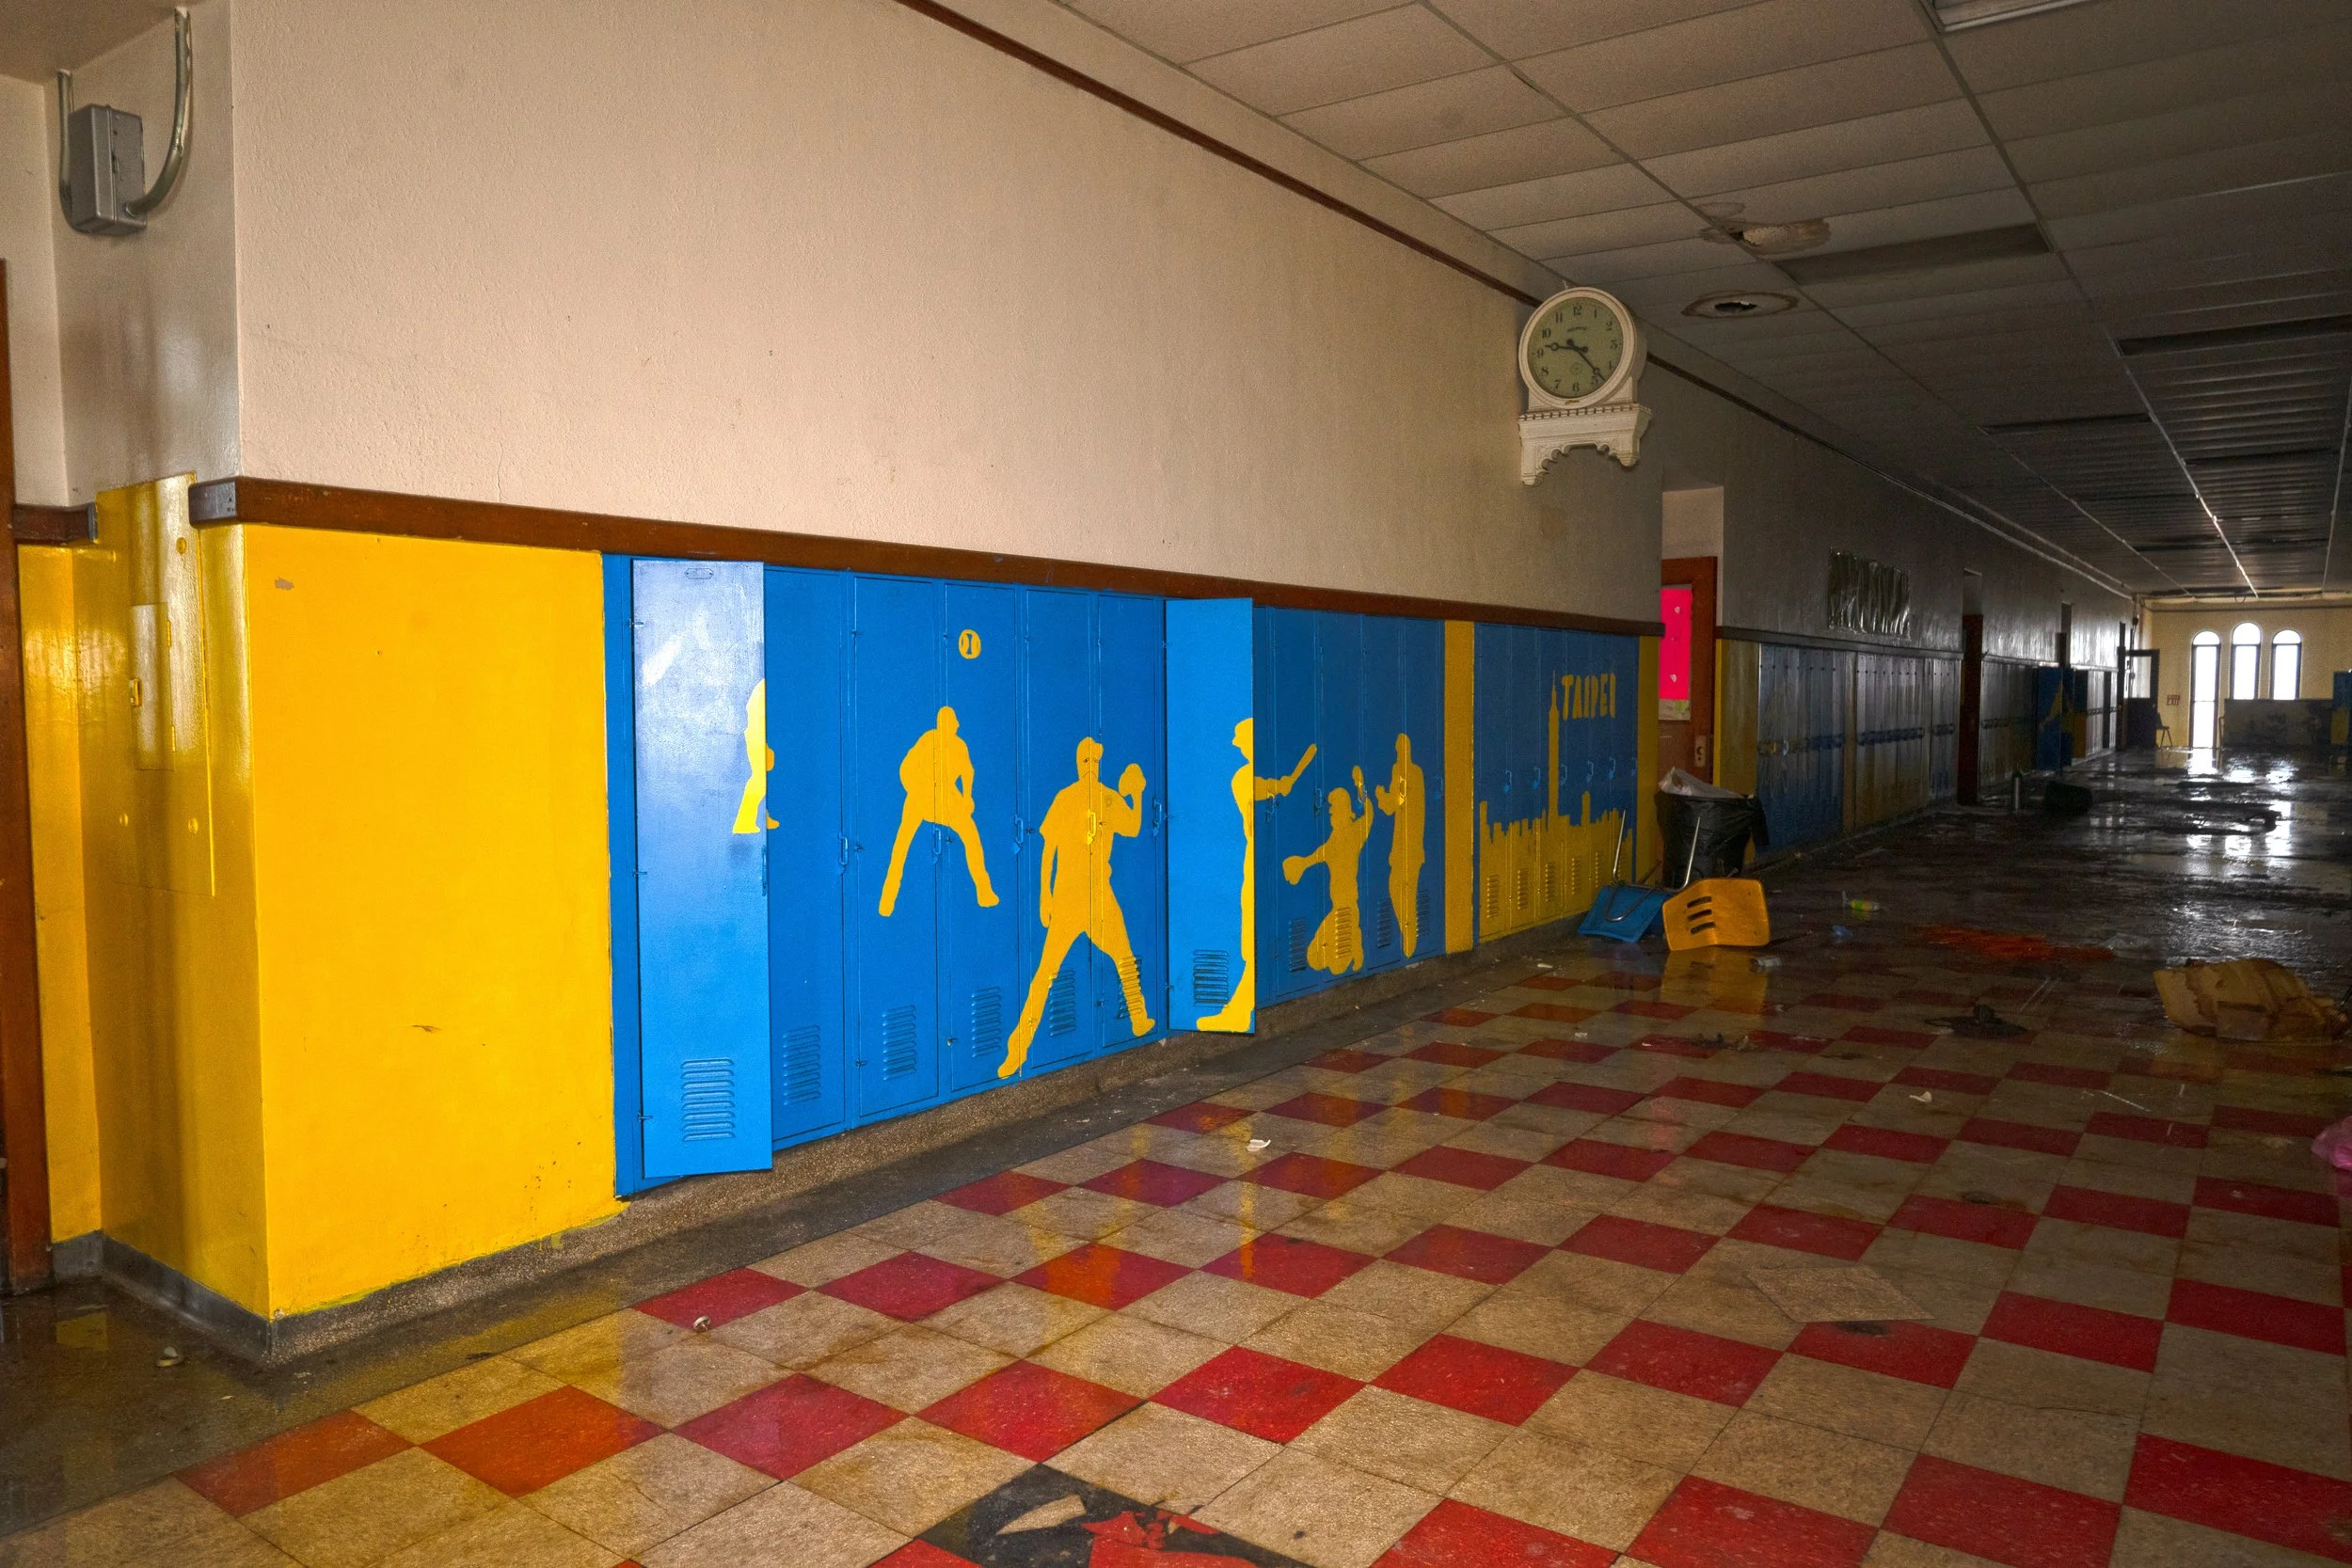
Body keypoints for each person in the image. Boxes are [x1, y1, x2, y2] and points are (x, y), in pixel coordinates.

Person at [1001, 737, 1152, 1077]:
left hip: (1100, 894)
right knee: (1045, 973)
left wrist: (1138, 794)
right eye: (1085, 760)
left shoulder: (1109, 798)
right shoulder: (1065, 798)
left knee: (1125, 958)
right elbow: (1047, 849)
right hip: (1068, 896)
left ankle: (1140, 1019)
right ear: (1077, 763)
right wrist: (1044, 897)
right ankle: (1019, 1047)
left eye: (1094, 761)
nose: (1089, 766)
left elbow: (1133, 827)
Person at [1198, 721, 1313, 1032]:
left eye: (1243, 742)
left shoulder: (1250, 776)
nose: (1242, 747)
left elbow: (1270, 786)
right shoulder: (1241, 778)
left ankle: (1239, 1006)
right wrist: (1283, 784)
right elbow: (1265, 786)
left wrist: (1282, 784)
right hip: (1254, 857)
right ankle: (1241, 1004)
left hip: (1258, 859)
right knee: (1250, 929)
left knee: (1253, 929)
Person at [879, 705, 998, 917]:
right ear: (945, 724)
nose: (957, 726)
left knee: (971, 837)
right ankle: (887, 899)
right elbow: (905, 768)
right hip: (921, 798)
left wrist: (968, 797)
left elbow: (968, 771)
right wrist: (915, 789)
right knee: (902, 844)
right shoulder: (928, 740)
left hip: (947, 799)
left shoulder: (959, 746)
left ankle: (984, 890)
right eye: (953, 723)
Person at [1284, 767, 1374, 975]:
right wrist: (1299, 865)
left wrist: (1360, 785)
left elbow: (1370, 815)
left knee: (1335, 961)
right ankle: (1354, 949)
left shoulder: (1354, 833)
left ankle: (1356, 951)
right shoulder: (1333, 841)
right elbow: (1315, 856)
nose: (1330, 811)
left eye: (1333, 807)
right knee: (1315, 959)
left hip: (1347, 904)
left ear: (1343, 809)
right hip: (1337, 906)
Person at [1374, 732, 1425, 957]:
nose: (1397, 753)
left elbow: (1394, 804)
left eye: (1398, 750)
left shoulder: (1403, 772)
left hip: (1407, 846)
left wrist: (1378, 795)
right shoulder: (1414, 772)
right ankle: (1408, 931)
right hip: (1410, 845)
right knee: (1402, 888)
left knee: (1401, 888)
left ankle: (1409, 933)